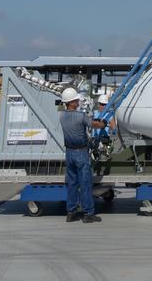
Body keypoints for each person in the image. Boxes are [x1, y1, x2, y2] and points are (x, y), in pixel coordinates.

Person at [59, 86, 107, 223]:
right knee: (85, 183)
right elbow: (94, 125)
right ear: (72, 102)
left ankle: (71, 212)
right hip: (81, 152)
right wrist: (102, 124)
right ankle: (88, 213)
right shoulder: (81, 116)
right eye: (76, 100)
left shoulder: (61, 116)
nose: (78, 102)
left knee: (72, 183)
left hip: (69, 153)